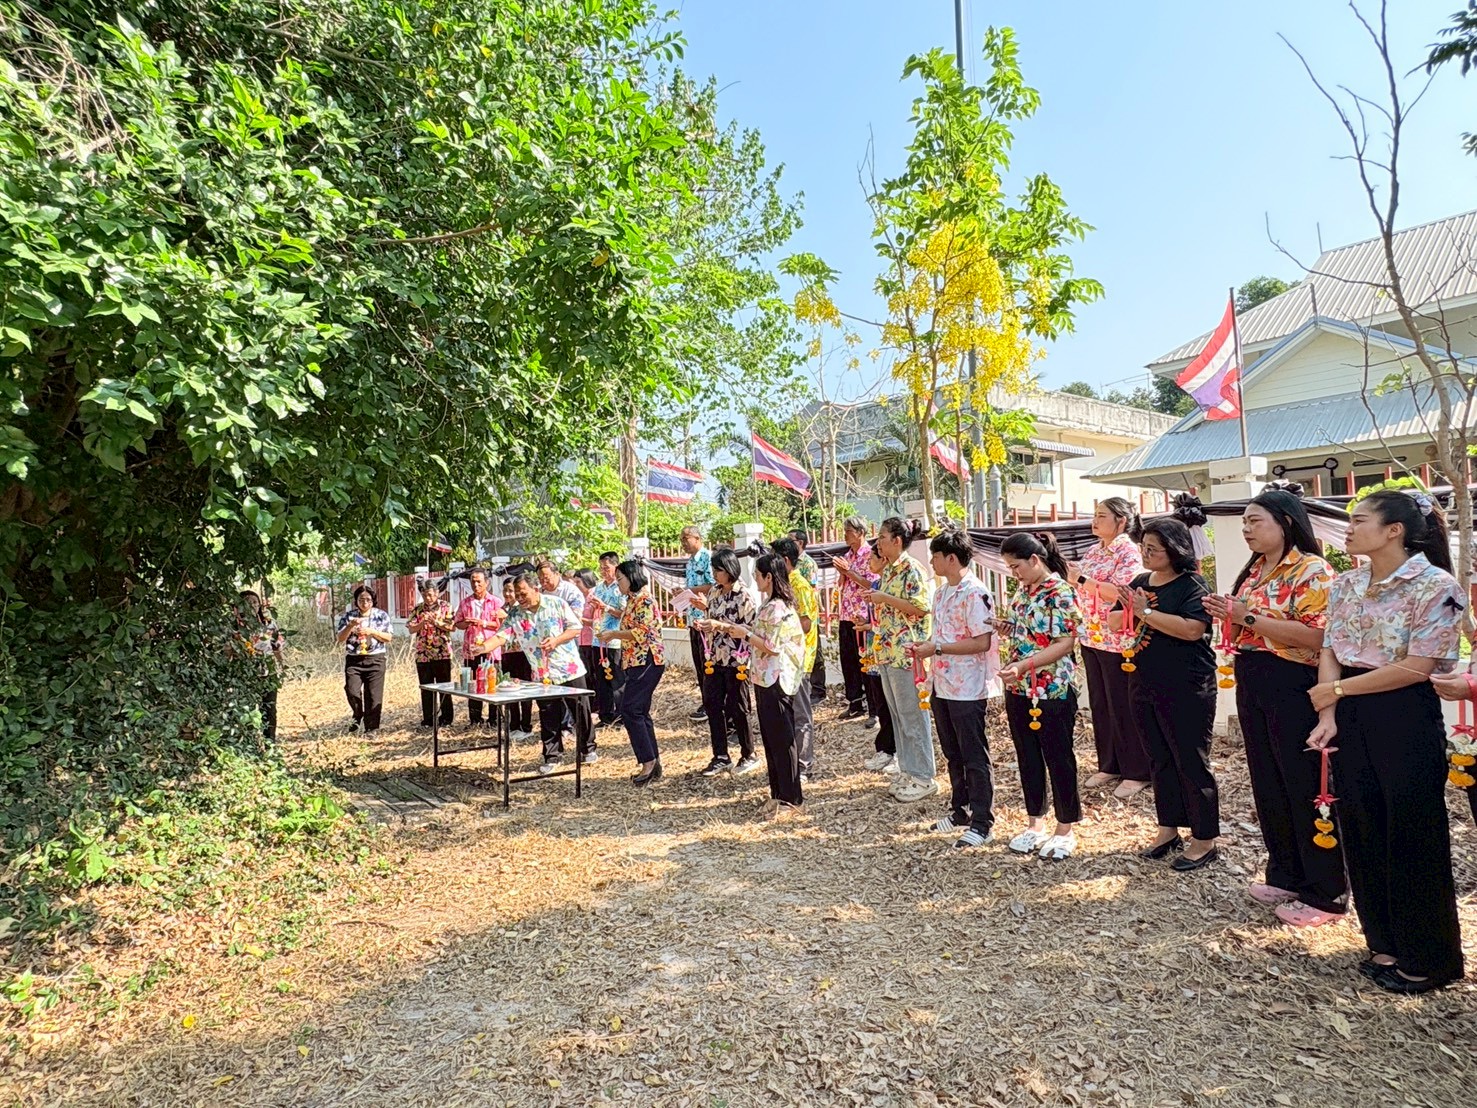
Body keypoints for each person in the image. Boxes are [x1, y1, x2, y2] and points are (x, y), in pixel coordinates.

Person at [1308, 489, 1465, 993]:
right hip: (1349, 708)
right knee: (1361, 823)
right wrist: (1329, 710)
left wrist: (1335, 690)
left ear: (1393, 530)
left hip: (1403, 713)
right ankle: (1384, 941)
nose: (1347, 529)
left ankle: (1431, 957)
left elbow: (1416, 668)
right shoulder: (1347, 582)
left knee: (1413, 832)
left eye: (1358, 520)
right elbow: (1331, 644)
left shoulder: (1436, 586)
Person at [1203, 488, 1344, 928]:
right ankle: (1286, 873)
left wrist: (1245, 618)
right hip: (1254, 678)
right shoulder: (1255, 571)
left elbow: (1320, 638)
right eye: (1243, 522)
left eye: (1254, 521)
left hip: (1293, 683)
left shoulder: (1312, 571)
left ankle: (1326, 892)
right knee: (1269, 780)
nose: (1246, 529)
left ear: (1285, 521)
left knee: (1305, 783)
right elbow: (1248, 620)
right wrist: (1227, 613)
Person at [1111, 517, 1219, 871]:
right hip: (1144, 680)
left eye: (1153, 548)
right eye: (1143, 546)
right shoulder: (1140, 582)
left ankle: (1204, 839)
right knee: (1158, 757)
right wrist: (1131, 608)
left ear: (1174, 550)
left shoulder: (1192, 586)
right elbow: (1113, 621)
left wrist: (1144, 611)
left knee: (1190, 759)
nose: (1145, 553)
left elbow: (1191, 630)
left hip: (1188, 685)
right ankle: (1167, 829)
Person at [908, 527, 1000, 849]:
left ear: (950, 557)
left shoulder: (975, 592)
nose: (931, 561)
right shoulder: (941, 593)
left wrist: (938, 649)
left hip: (968, 687)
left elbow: (981, 641)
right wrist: (927, 646)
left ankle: (982, 820)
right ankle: (959, 809)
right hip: (943, 683)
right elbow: (942, 636)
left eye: (935, 555)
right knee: (953, 753)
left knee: (974, 754)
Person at [997, 533, 1082, 860]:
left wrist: (1025, 664)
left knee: (1058, 756)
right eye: (1009, 567)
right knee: (1027, 754)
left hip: (1052, 686)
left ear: (1035, 559)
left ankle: (1065, 827)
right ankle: (1035, 823)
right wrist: (1008, 627)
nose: (1013, 573)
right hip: (1019, 684)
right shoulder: (1023, 591)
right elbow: (1028, 631)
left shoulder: (1060, 592)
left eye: (1016, 566)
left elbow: (1064, 643)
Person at [1069, 498, 1151, 799]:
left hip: (1118, 640)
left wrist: (1081, 579)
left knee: (1123, 704)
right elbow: (1082, 585)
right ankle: (1109, 763)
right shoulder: (1093, 551)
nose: (1095, 520)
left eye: (1102, 516)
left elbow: (1121, 591)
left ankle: (1137, 770)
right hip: (1092, 636)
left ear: (1121, 521)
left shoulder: (1129, 551)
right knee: (1101, 703)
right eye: (1094, 515)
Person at [726, 553, 806, 818]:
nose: (754, 579)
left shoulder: (779, 608)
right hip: (763, 678)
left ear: (769, 577)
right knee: (772, 740)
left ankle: (793, 798)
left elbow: (771, 646)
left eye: (757, 574)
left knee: (783, 741)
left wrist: (745, 634)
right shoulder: (768, 605)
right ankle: (778, 794)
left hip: (777, 679)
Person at [490, 571, 595, 772]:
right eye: (517, 595)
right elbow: (502, 636)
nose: (519, 599)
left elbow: (575, 628)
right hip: (541, 673)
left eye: (523, 594)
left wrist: (556, 640)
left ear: (536, 589)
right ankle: (552, 756)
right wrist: (483, 647)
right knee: (548, 714)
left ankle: (587, 747)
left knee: (580, 709)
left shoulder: (557, 604)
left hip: (568, 668)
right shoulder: (515, 613)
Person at [865, 517, 935, 804]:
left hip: (906, 654)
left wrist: (884, 598)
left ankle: (923, 776)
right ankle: (908, 769)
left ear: (897, 540)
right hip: (887, 651)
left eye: (881, 537)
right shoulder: (890, 570)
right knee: (897, 716)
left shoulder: (911, 569)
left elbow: (921, 608)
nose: (877, 542)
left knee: (912, 716)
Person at [596, 559, 666, 786]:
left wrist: (613, 635)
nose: (617, 584)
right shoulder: (631, 600)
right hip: (635, 661)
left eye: (620, 579)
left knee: (631, 709)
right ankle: (652, 762)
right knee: (640, 711)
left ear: (632, 577)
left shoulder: (644, 600)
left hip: (647, 659)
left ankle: (647, 761)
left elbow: (642, 633)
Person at [691, 548, 761, 776]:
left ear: (729, 570)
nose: (714, 575)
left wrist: (721, 626)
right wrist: (703, 623)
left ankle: (748, 753)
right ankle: (720, 755)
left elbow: (751, 629)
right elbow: (711, 615)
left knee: (739, 707)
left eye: (717, 570)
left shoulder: (744, 595)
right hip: (714, 657)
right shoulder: (714, 593)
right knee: (712, 705)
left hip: (736, 660)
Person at [772, 537, 819, 778]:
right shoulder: (783, 585)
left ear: (786, 560)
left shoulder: (799, 586)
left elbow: (807, 624)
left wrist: (780, 631)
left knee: (801, 714)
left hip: (799, 659)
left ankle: (804, 765)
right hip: (784, 659)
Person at [832, 516, 879, 722]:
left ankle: (873, 709)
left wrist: (848, 572)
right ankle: (855, 703)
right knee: (848, 660)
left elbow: (871, 584)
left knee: (866, 662)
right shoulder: (846, 556)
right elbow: (842, 584)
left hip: (863, 615)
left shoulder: (870, 555)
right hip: (846, 613)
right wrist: (842, 573)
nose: (845, 535)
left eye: (849, 531)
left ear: (860, 532)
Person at [453, 569, 506, 731]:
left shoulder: (496, 602)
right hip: (471, 649)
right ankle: (475, 718)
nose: (476, 585)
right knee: (472, 684)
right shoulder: (465, 602)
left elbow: (501, 624)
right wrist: (468, 623)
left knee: (492, 683)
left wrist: (482, 623)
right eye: (473, 582)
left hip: (491, 650)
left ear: (487, 583)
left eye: (479, 582)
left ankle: (494, 718)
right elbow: (458, 623)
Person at [335, 585, 393, 733]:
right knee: (352, 690)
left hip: (376, 659)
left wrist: (372, 632)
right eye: (361, 599)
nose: (365, 602)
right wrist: (350, 626)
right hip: (354, 660)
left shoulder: (381, 615)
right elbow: (340, 638)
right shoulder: (349, 616)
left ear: (373, 601)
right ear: (356, 601)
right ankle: (357, 714)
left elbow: (388, 637)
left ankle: (371, 728)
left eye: (368, 599)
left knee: (374, 696)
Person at [861, 543, 897, 772]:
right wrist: (864, 623)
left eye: (871, 558)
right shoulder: (875, 585)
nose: (868, 563)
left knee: (892, 705)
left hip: (890, 651)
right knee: (880, 702)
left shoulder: (891, 586)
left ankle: (895, 752)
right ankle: (884, 749)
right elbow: (876, 620)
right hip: (874, 649)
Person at [407, 578, 455, 728]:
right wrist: (422, 623)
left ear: (437, 593)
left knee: (444, 687)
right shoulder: (418, 609)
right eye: (425, 595)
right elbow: (411, 628)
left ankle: (447, 718)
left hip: (442, 653)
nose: (428, 598)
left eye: (431, 594)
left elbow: (452, 627)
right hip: (423, 654)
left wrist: (436, 622)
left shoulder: (446, 606)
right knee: (426, 688)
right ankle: (428, 719)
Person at [680, 526, 716, 722]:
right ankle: (706, 701)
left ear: (697, 538)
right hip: (693, 619)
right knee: (699, 665)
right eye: (682, 540)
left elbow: (713, 585)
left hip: (706, 618)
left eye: (686, 538)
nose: (683, 543)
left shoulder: (707, 558)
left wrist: (689, 590)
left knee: (708, 662)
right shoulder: (689, 562)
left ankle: (712, 703)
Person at [789, 529, 828, 705]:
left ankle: (818, 690)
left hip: (807, 612)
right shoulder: (791, 562)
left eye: (792, 540)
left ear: (801, 543)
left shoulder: (807, 563)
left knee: (815, 652)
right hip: (794, 613)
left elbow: (810, 590)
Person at [238, 590, 283, 740]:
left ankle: (270, 741)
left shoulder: (269, 624)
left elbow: (277, 646)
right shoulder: (235, 626)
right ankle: (248, 742)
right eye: (247, 602)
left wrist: (281, 666)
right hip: (245, 673)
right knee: (247, 710)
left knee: (269, 709)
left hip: (268, 671)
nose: (252, 605)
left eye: (255, 602)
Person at [589, 552, 627, 727]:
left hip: (615, 639)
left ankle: (621, 716)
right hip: (598, 639)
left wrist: (606, 607)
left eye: (606, 567)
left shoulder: (620, 588)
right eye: (601, 568)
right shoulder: (599, 588)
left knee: (617, 679)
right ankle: (606, 716)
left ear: (615, 566)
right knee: (601, 680)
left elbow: (624, 614)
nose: (603, 571)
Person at [495, 578, 534, 739]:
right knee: (509, 687)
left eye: (511, 591)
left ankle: (526, 726)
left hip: (523, 653)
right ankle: (514, 725)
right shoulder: (501, 608)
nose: (508, 594)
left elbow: (528, 628)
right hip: (507, 653)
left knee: (524, 689)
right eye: (505, 591)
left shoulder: (523, 608)